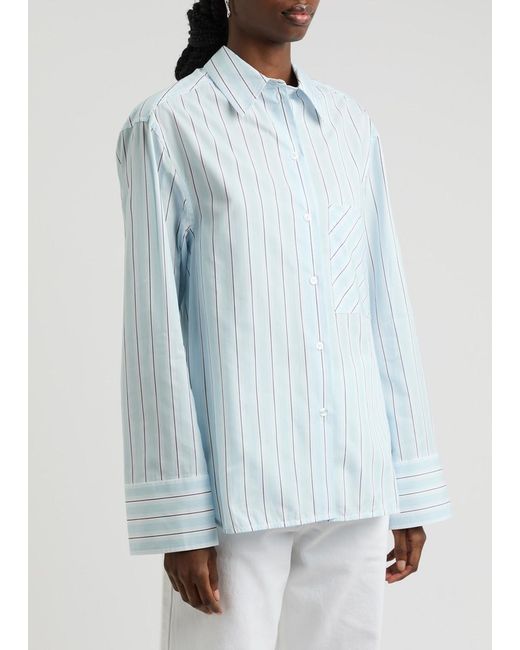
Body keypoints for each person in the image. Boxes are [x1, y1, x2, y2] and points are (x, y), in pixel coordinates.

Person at [114, 1, 453, 648]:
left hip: (355, 481)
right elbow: (153, 333)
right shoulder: (168, 125)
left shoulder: (349, 125)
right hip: (237, 491)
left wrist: (409, 488)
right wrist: (179, 519)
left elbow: (385, 304)